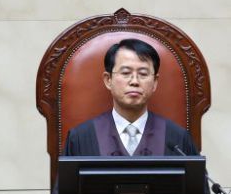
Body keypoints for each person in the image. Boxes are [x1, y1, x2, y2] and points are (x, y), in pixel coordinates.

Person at [63, 38, 199, 157]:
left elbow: (196, 180)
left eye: (143, 74)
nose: (134, 81)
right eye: (126, 73)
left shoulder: (177, 139)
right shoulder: (80, 138)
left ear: (155, 82)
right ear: (108, 80)